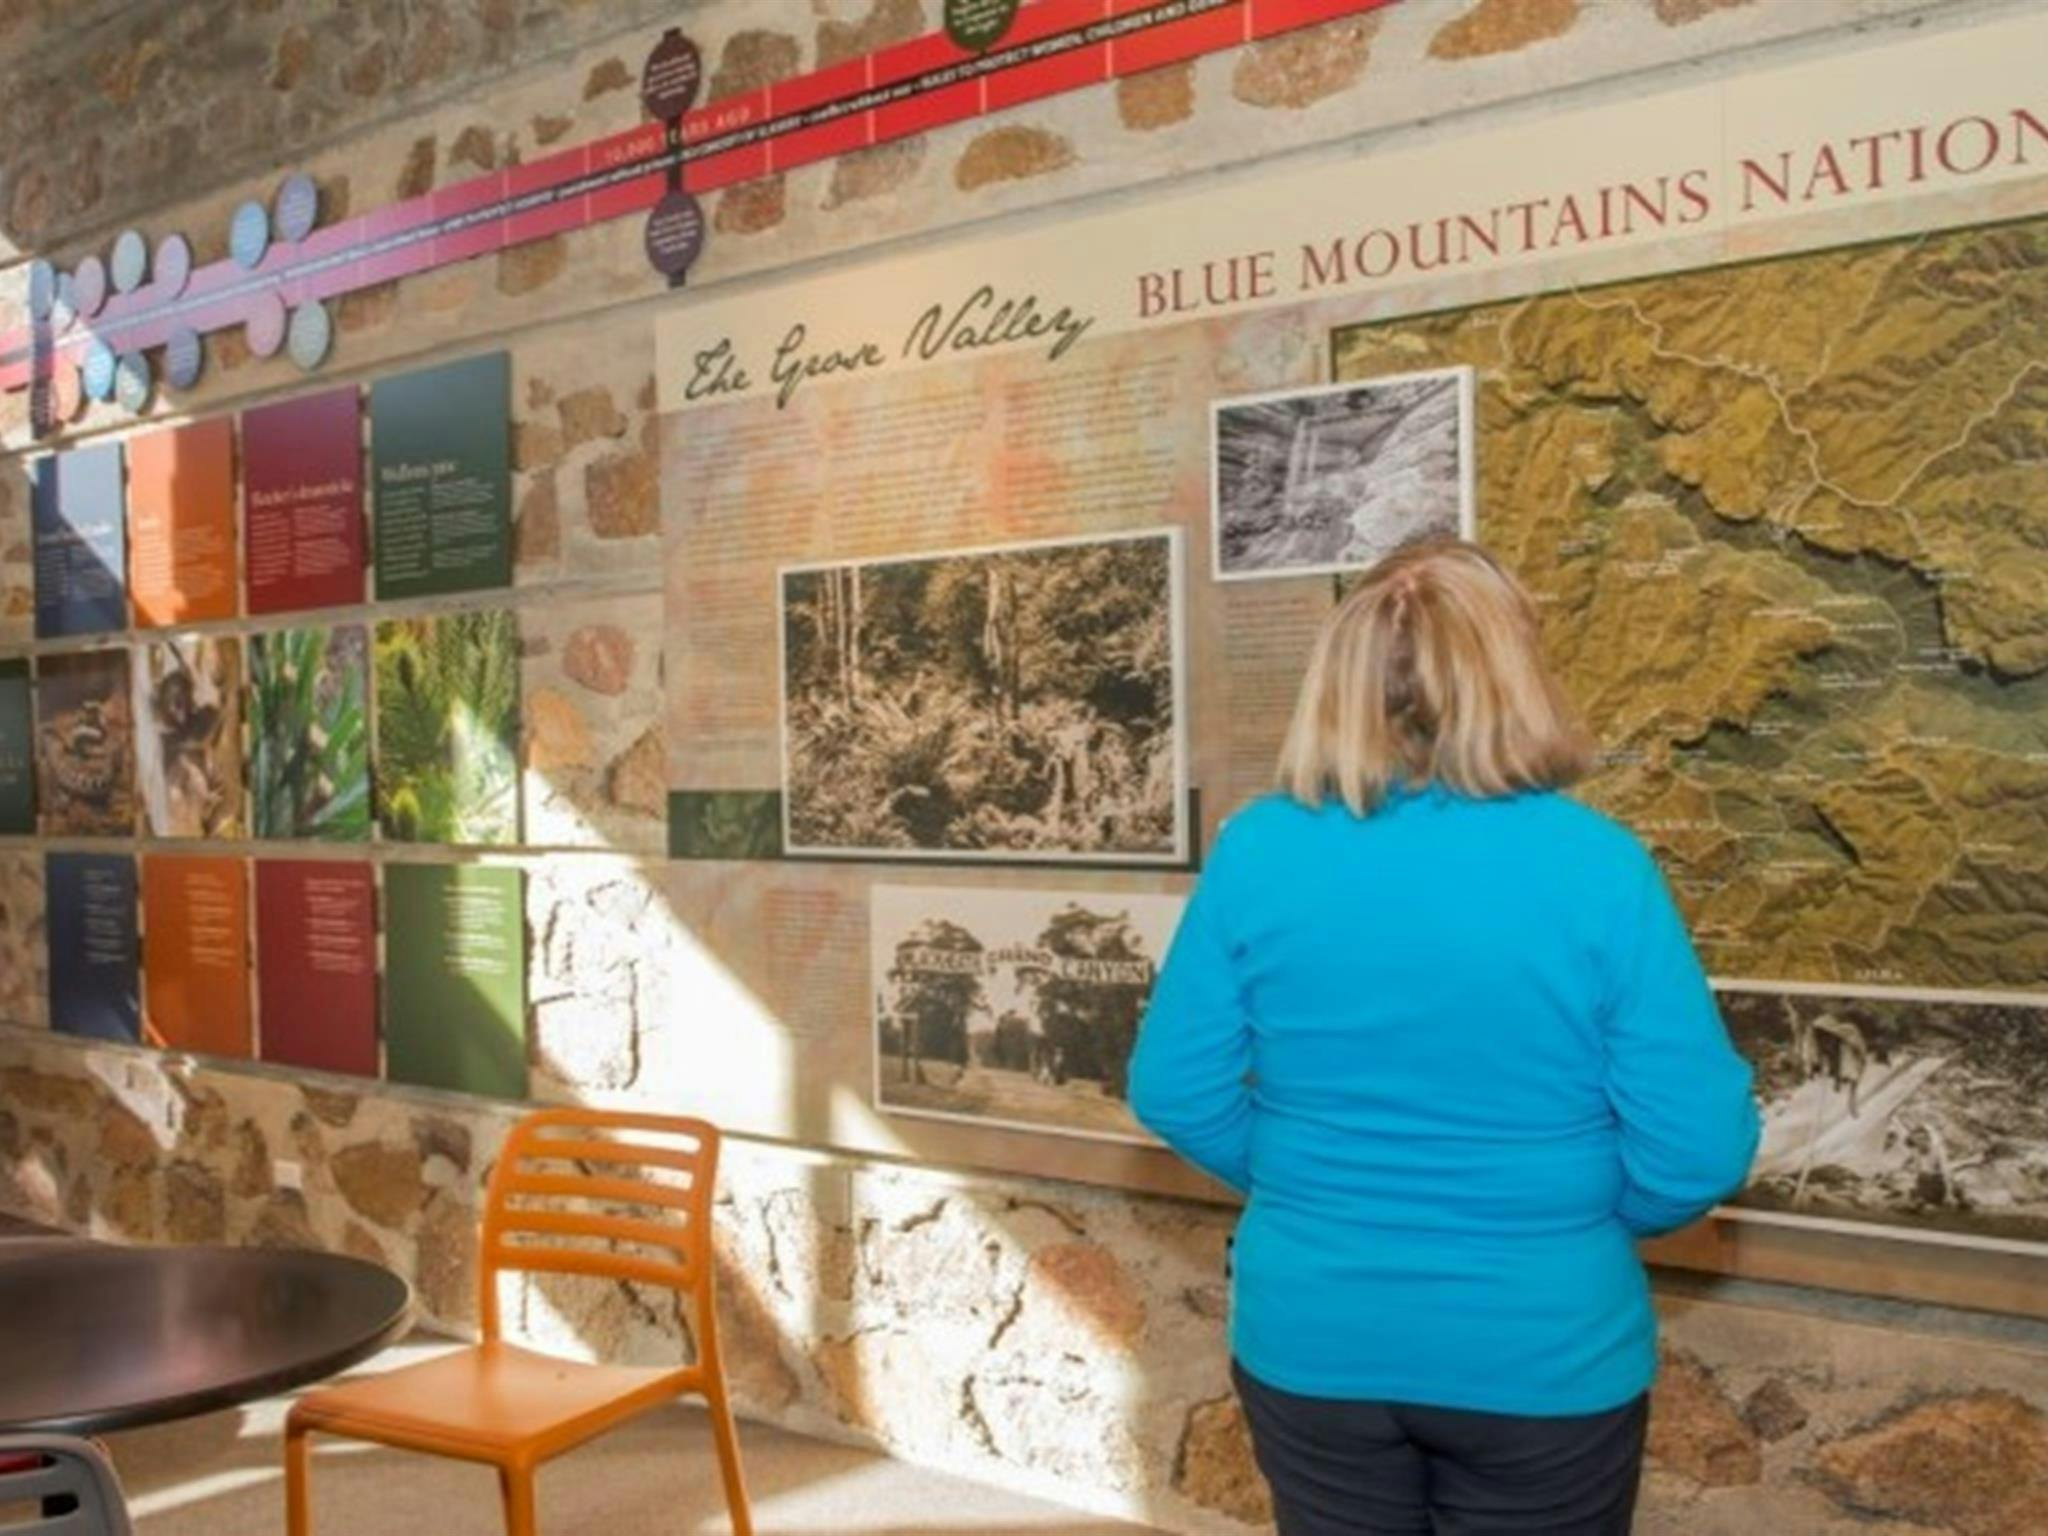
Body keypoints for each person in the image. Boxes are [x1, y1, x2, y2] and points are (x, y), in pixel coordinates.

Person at [1129, 538, 1759, 1535]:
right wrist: (1578, 1213)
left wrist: (1313, 1180)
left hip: (1312, 1334)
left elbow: (1172, 1085)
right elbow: (1696, 1147)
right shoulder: (1595, 865)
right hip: (1541, 1344)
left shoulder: (1259, 848)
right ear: (1514, 677)